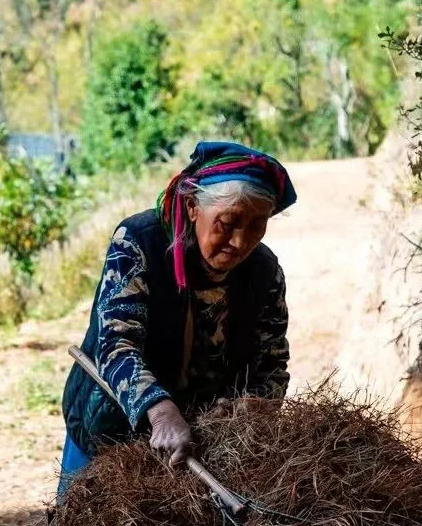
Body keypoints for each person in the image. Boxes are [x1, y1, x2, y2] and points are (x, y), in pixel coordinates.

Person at [59, 140, 297, 494]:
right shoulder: (140, 242)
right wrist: (159, 410)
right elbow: (115, 345)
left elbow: (271, 364)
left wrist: (250, 408)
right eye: (228, 223)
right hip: (112, 426)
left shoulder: (264, 271)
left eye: (256, 227)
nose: (240, 241)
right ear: (191, 207)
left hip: (206, 443)